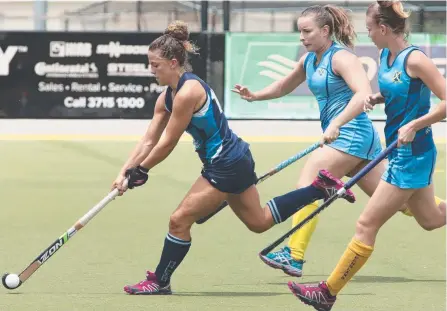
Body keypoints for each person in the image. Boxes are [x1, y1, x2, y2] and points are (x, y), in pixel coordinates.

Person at [111, 20, 355, 295]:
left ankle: (160, 280)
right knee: (259, 222)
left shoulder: (188, 92)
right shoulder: (166, 97)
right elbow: (149, 140)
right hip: (234, 159)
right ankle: (319, 189)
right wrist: (124, 172)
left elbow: (168, 142)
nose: (151, 70)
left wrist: (142, 170)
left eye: (155, 64)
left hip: (225, 163)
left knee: (179, 220)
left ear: (173, 62)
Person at [232, 4, 429, 279]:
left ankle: (294, 254)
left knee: (310, 184)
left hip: (351, 135)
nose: (302, 37)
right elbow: (282, 86)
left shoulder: (342, 59)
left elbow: (363, 95)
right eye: (300, 31)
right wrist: (255, 95)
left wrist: (336, 123)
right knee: (405, 204)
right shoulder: (308, 60)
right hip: (354, 141)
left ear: (325, 31)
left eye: (307, 31)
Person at [288, 1, 446, 310]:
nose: (367, 33)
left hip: (413, 154)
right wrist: (379, 95)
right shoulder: (387, 57)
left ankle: (327, 292)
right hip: (400, 150)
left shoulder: (416, 59)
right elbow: (401, 90)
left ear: (384, 29)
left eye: (370, 28)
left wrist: (416, 123)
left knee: (365, 225)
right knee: (429, 219)